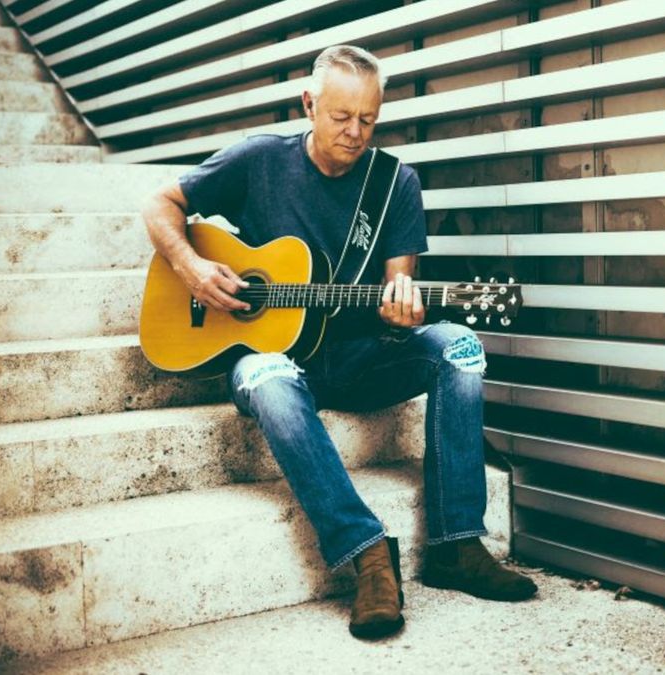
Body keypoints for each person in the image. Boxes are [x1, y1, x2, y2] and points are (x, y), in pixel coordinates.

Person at [141, 44, 536, 640]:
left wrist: (403, 309)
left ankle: (456, 543)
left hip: (359, 358)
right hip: (269, 359)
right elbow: (160, 202)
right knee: (272, 381)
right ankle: (367, 554)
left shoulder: (393, 183)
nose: (355, 133)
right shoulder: (258, 161)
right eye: (341, 117)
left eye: (369, 120)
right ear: (309, 104)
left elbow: (398, 285)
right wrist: (192, 267)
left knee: (458, 344)